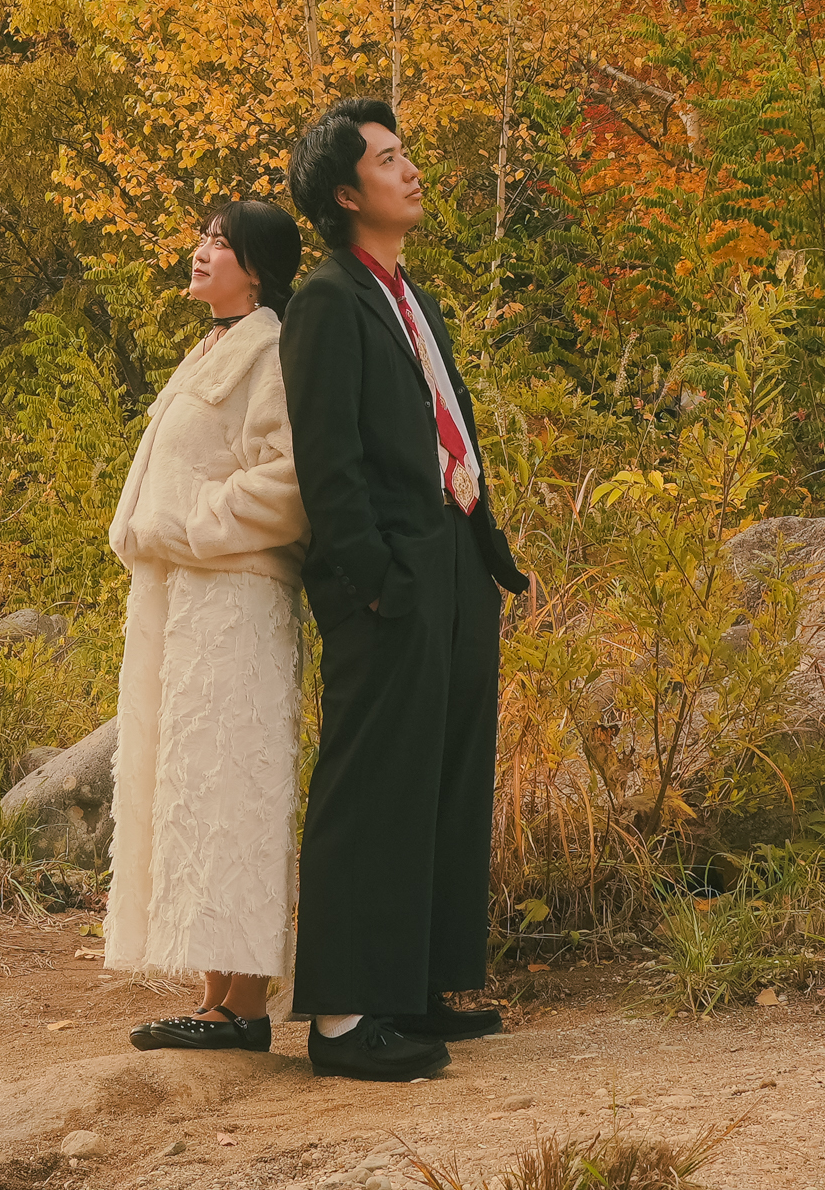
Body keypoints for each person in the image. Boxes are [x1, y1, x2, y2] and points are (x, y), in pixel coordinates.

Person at [276, 97, 528, 1081]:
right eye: (387, 160)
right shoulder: (326, 300)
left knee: (445, 774)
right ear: (346, 193)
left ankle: (416, 985)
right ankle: (343, 1019)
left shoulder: (408, 296)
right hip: (387, 576)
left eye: (403, 154)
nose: (410, 170)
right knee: (372, 781)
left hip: (454, 553)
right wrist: (377, 580)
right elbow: (328, 461)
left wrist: (481, 556)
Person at [104, 197, 310, 1051]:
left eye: (221, 242)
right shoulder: (214, 349)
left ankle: (246, 1003)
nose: (201, 250)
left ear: (255, 268)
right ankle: (214, 993)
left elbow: (290, 480)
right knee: (193, 786)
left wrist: (189, 521)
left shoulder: (271, 349)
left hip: (237, 603)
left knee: (235, 787)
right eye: (203, 236)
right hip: (187, 601)